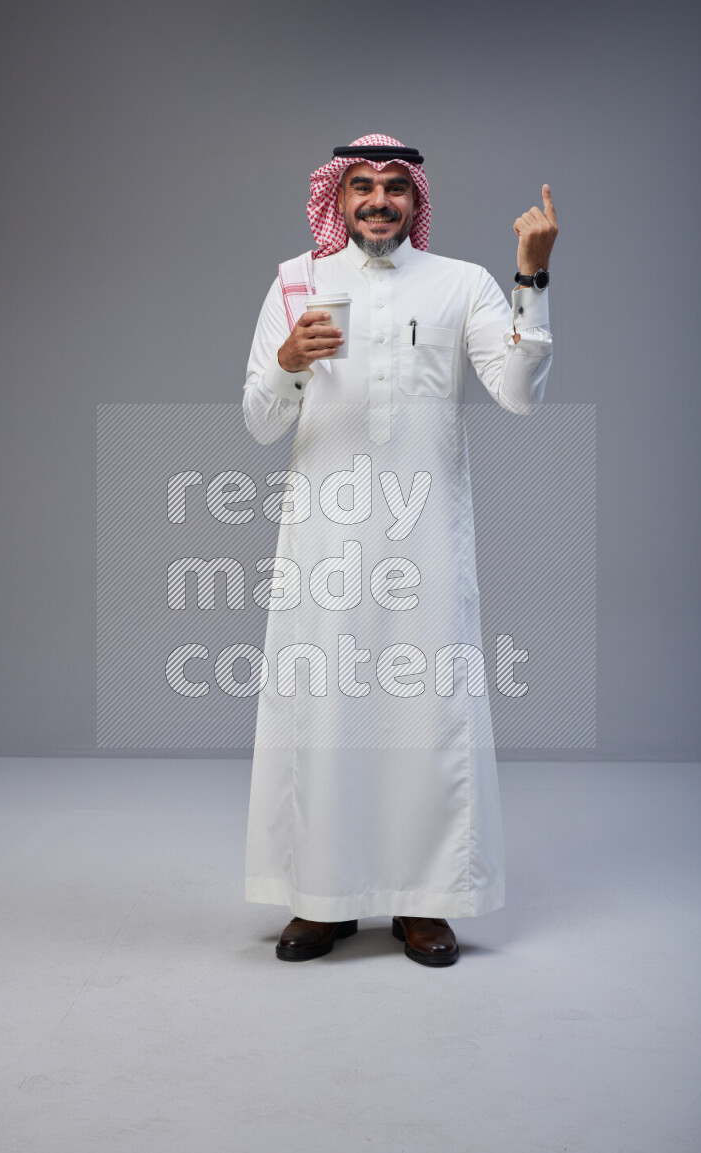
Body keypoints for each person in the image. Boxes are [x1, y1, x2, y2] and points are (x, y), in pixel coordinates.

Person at [241, 134, 557, 966]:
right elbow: (259, 420)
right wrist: (288, 362)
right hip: (326, 543)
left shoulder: (462, 283)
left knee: (427, 714)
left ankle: (425, 901)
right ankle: (323, 899)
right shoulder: (297, 281)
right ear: (337, 200)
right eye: (361, 186)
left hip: (426, 543)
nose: (378, 200)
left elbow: (519, 395)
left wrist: (531, 277)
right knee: (325, 713)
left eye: (394, 187)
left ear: (415, 201)